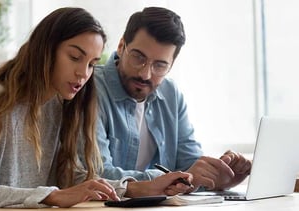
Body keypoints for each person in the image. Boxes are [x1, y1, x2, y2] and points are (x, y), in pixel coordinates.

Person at [0, 7, 193, 211]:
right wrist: (53, 196)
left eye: (92, 64)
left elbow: (73, 178)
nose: (83, 74)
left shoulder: (61, 105)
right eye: (75, 57)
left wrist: (140, 188)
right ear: (46, 50)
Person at [94, 7, 251, 192]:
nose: (145, 74)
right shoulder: (91, 89)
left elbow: (190, 164)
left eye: (160, 65)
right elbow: (97, 174)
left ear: (171, 65)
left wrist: (218, 176)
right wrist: (171, 179)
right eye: (138, 57)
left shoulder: (171, 94)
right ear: (121, 46)